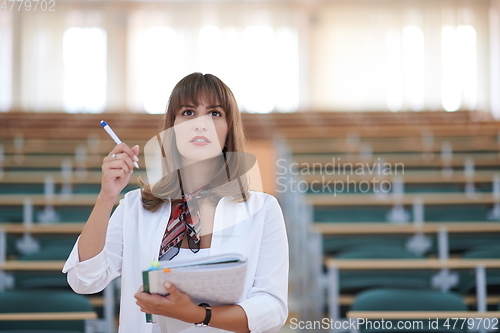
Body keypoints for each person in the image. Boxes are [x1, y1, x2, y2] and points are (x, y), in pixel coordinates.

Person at [63, 73, 289, 333]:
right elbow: (84, 280)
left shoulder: (262, 209)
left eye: (214, 113)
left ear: (229, 129)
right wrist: (106, 197)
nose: (200, 124)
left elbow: (272, 308)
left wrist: (196, 314)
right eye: (188, 112)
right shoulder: (135, 206)